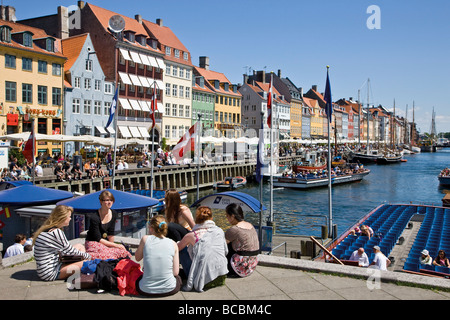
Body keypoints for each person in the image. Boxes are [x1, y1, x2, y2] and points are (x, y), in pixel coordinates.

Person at [33, 205, 91, 281]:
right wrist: (88, 256)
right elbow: (70, 251)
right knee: (87, 262)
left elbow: (65, 250)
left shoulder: (47, 229)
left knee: (79, 245)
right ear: (63, 217)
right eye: (69, 216)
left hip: (43, 271)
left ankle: (80, 265)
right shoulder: (56, 232)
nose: (70, 219)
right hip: (50, 273)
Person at [177, 206, 228, 292]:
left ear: (197, 219)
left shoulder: (192, 235)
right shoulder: (219, 231)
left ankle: (186, 274)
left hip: (203, 279)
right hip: (221, 275)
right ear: (211, 218)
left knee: (182, 249)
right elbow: (225, 251)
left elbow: (176, 249)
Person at [134, 215, 182, 297]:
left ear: (151, 228)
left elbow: (137, 258)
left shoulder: (145, 239)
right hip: (169, 289)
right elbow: (175, 272)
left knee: (138, 278)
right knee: (179, 279)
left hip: (145, 290)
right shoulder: (173, 244)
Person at [84, 190, 132, 260]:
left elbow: (111, 233)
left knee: (123, 252)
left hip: (105, 243)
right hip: (93, 243)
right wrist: (116, 245)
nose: (109, 202)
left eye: (111, 200)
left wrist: (112, 247)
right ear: (101, 201)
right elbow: (98, 239)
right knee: (110, 256)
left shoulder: (114, 213)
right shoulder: (94, 217)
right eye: (107, 200)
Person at [224, 203, 259, 277]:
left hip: (240, 267)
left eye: (227, 215)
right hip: (252, 265)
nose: (226, 218)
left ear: (232, 216)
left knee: (226, 245)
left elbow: (222, 244)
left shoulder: (234, 229)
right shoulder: (250, 225)